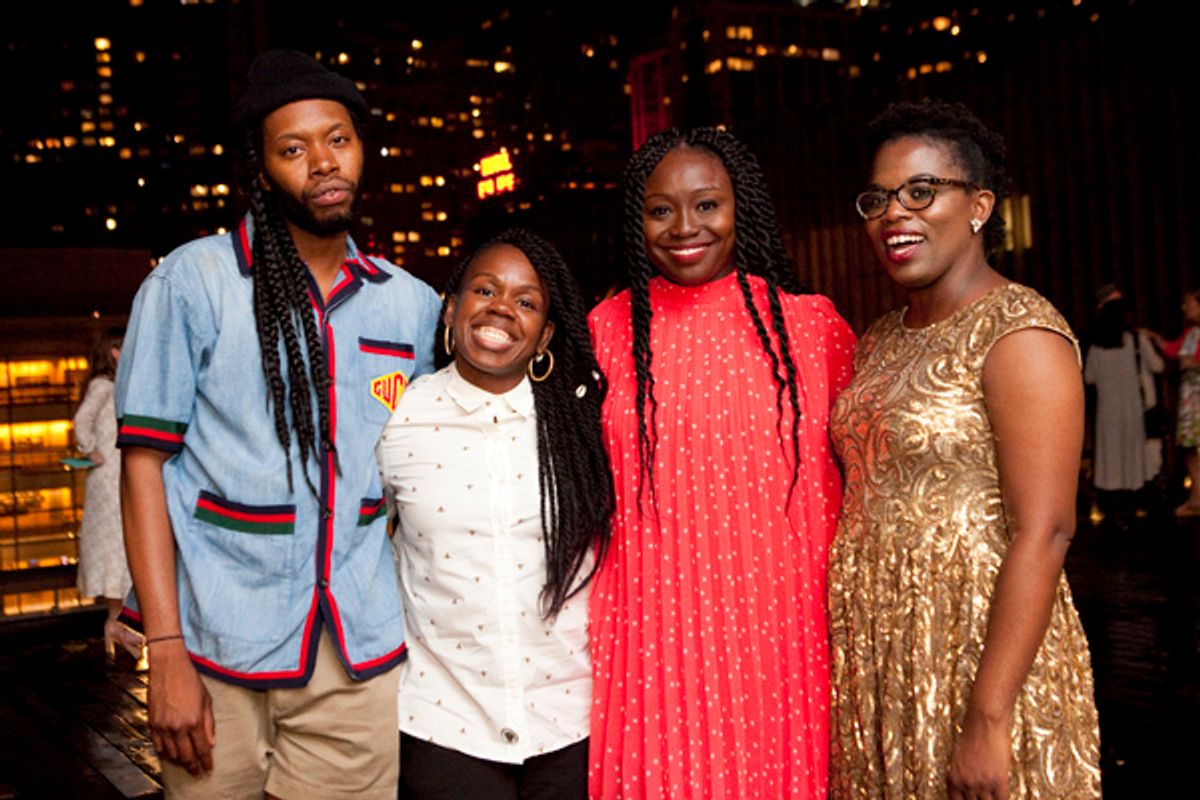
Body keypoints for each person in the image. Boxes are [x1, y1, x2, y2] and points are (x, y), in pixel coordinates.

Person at [114, 50, 440, 799]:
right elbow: (143, 466)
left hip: (357, 652)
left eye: (337, 139)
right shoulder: (191, 283)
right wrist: (164, 650)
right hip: (214, 643)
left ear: (362, 150)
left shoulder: (411, 304)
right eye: (293, 149)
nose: (322, 162)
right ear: (260, 172)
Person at [828, 99, 1101, 800]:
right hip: (880, 649)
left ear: (979, 205)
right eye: (879, 198)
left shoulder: (1020, 334)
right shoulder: (882, 338)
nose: (895, 214)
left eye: (922, 191)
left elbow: (1046, 532)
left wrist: (988, 716)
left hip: (979, 653)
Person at [587, 127, 856, 799]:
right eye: (660, 209)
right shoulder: (603, 331)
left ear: (743, 208)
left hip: (783, 643)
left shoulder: (813, 328)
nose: (685, 227)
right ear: (636, 219)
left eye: (707, 204)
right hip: (650, 642)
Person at [378, 229, 613, 799]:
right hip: (444, 725)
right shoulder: (399, 417)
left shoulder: (585, 426)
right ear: (451, 309)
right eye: (485, 290)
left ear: (545, 335)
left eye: (526, 301)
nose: (502, 309)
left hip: (573, 724)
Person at [74, 326, 142, 660]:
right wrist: (90, 451)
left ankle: (118, 623)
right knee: (116, 547)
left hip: (122, 476)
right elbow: (81, 422)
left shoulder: (121, 384)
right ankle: (117, 621)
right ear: (114, 351)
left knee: (125, 546)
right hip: (108, 481)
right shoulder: (103, 385)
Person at [1084, 291, 1164, 524]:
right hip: (1133, 410)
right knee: (1132, 456)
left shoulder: (1097, 348)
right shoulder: (1136, 341)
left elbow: (1089, 377)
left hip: (1107, 411)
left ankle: (1114, 510)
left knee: (1110, 458)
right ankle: (1133, 506)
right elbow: (1158, 366)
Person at [1146, 289, 1200, 514]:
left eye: (1187, 303)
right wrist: (1150, 335)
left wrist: (1193, 364)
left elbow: (1188, 359)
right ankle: (1197, 495)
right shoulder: (1191, 333)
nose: (1183, 308)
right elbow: (1171, 349)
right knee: (1190, 448)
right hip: (1191, 398)